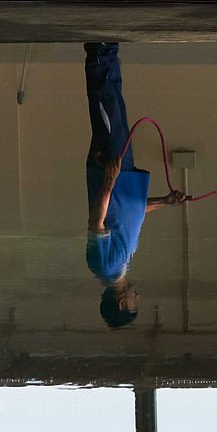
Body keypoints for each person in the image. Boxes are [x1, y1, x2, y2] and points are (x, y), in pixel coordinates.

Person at [84, 42, 187, 328]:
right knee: (115, 107)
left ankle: (99, 50)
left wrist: (109, 178)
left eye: (133, 304)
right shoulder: (122, 264)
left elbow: (97, 220)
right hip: (124, 176)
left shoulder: (104, 266)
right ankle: (108, 50)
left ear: (120, 303)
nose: (137, 298)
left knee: (106, 105)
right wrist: (164, 202)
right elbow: (131, 215)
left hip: (113, 173)